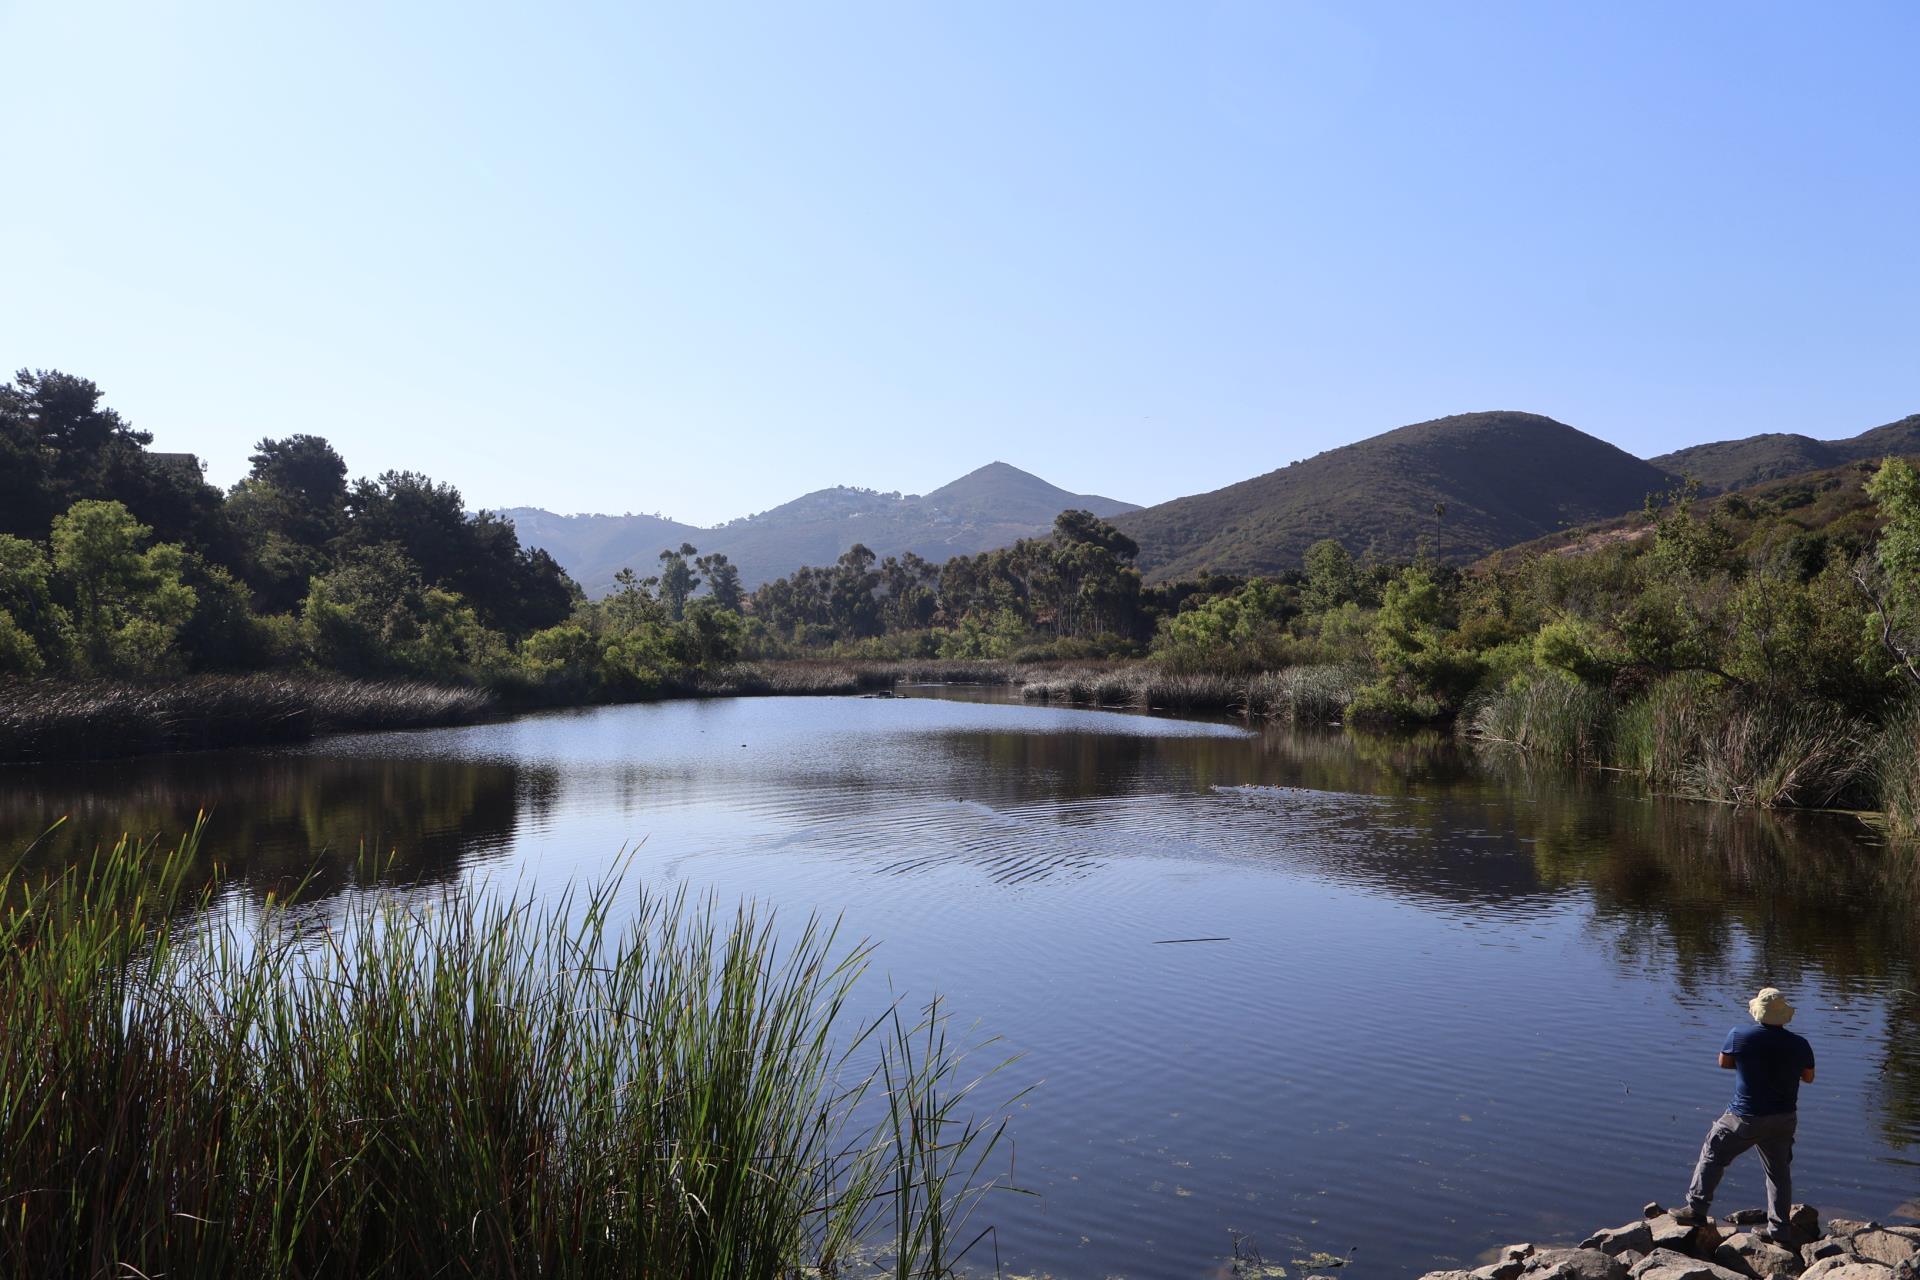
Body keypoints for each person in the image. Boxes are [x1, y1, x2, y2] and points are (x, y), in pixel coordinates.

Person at [1673, 987, 1816, 1243]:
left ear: (1758, 1012)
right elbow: (1808, 1077)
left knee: (1713, 1152)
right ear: (1783, 1015)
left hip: (1745, 1116)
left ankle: (1696, 1210)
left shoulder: (1739, 1035)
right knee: (1778, 1174)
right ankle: (1779, 1231)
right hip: (1783, 1118)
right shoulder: (1800, 1044)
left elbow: (1724, 1062)